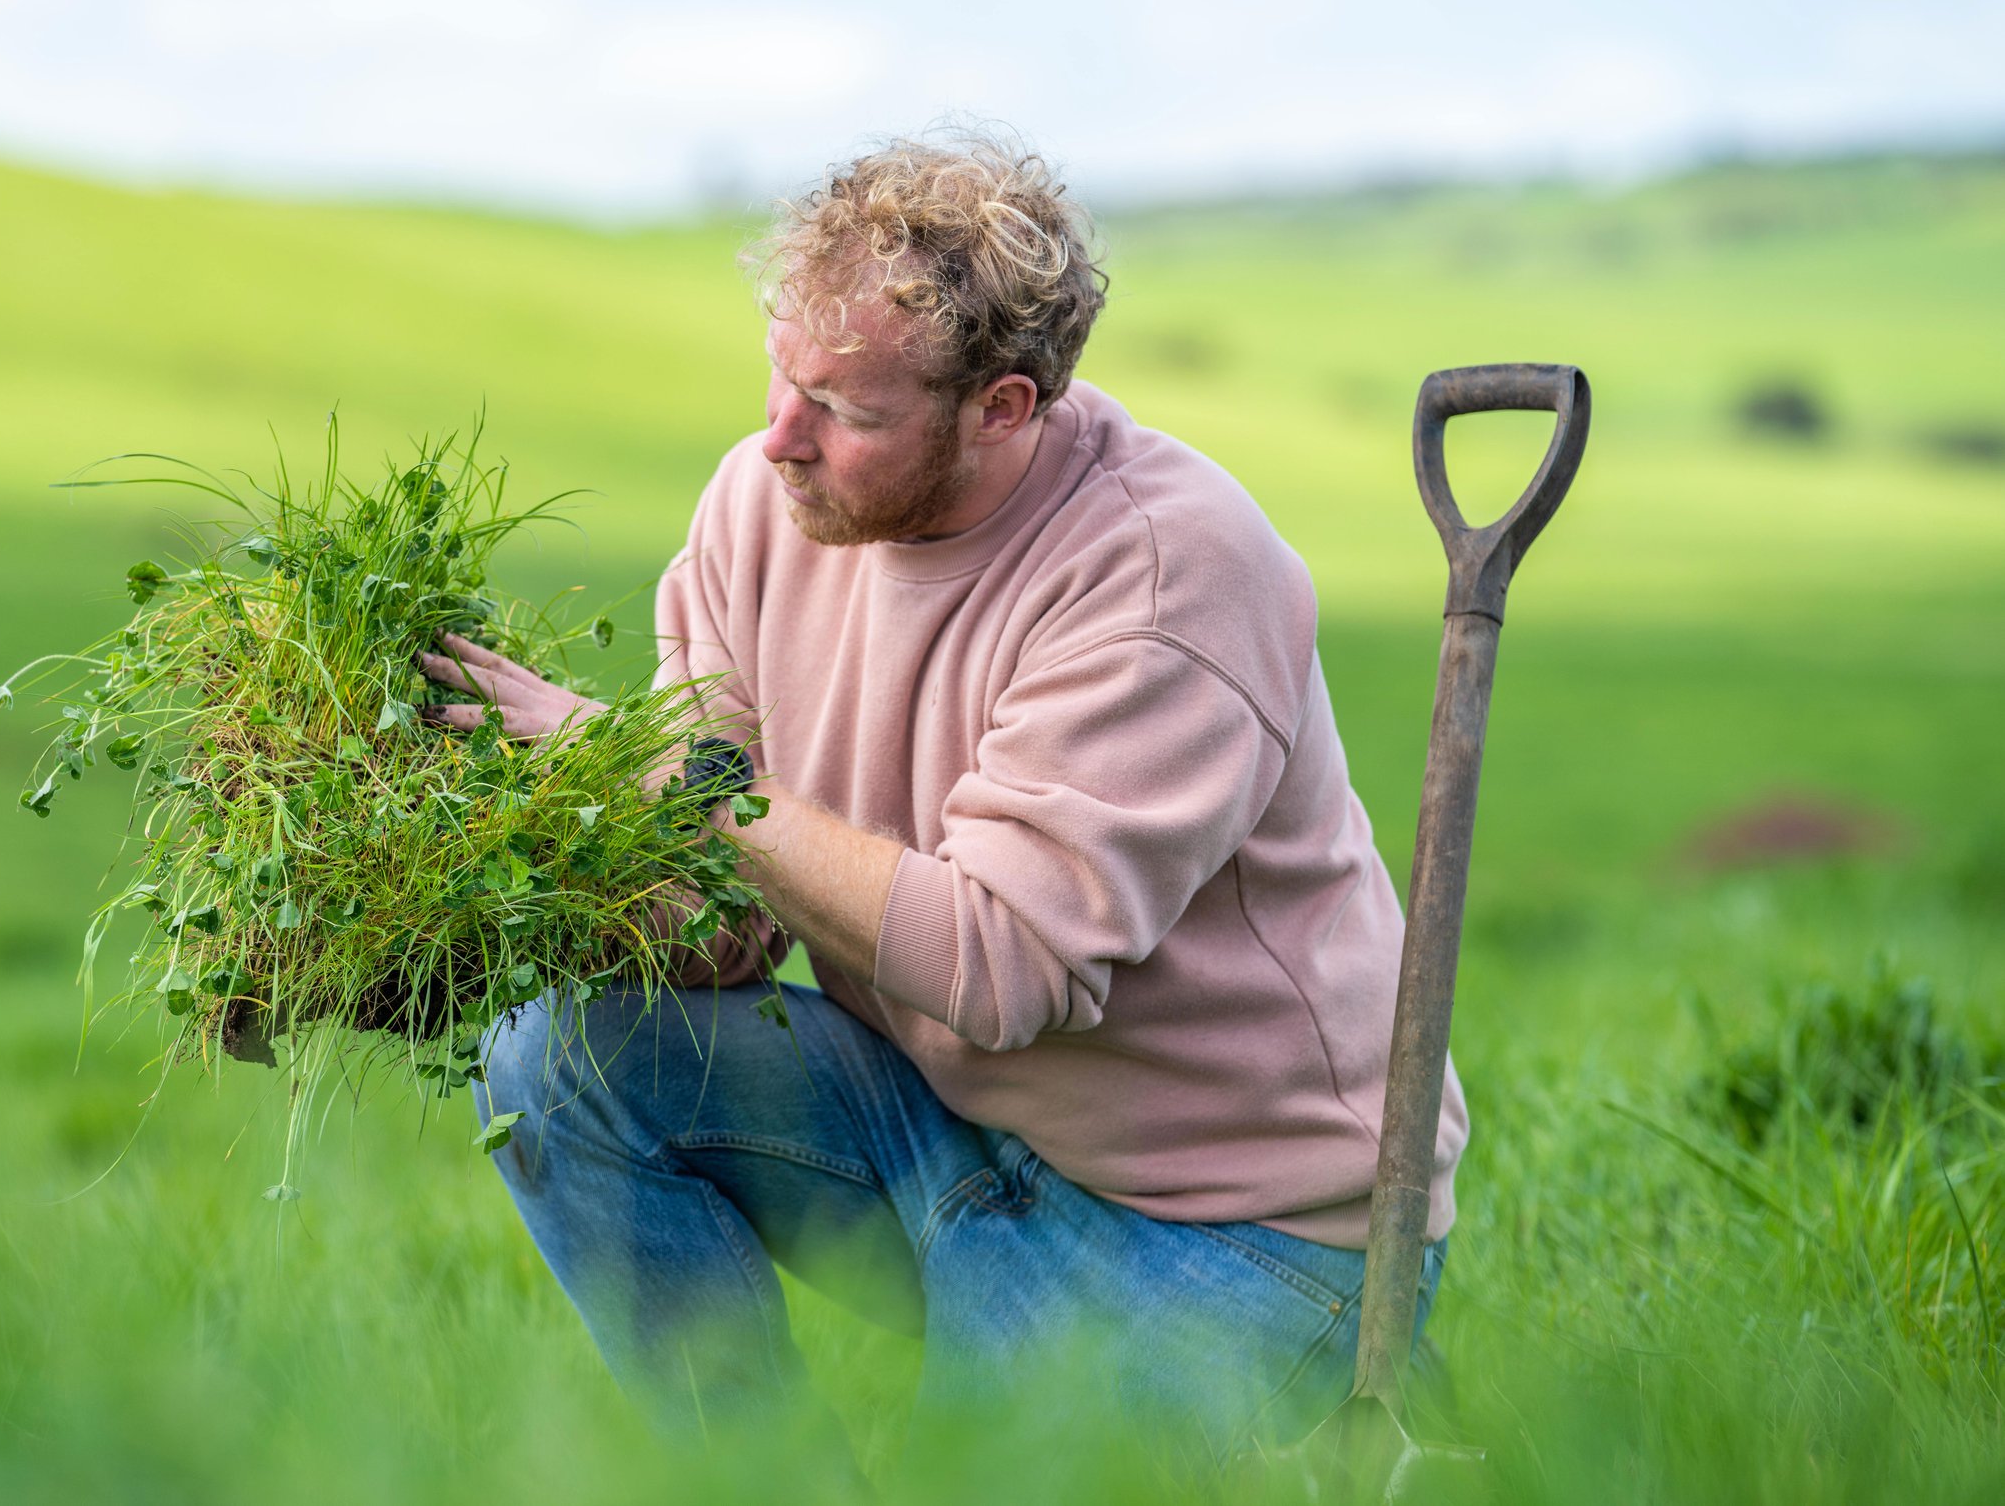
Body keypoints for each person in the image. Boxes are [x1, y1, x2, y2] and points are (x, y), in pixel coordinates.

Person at [415, 132, 1463, 1454]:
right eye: (780, 380)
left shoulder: (1165, 574)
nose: (779, 441)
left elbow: (1000, 967)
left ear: (1003, 410)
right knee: (556, 1057)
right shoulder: (764, 511)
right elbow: (726, 926)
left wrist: (661, 773)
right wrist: (459, 914)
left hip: (1235, 1227)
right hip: (946, 1135)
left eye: (846, 413)